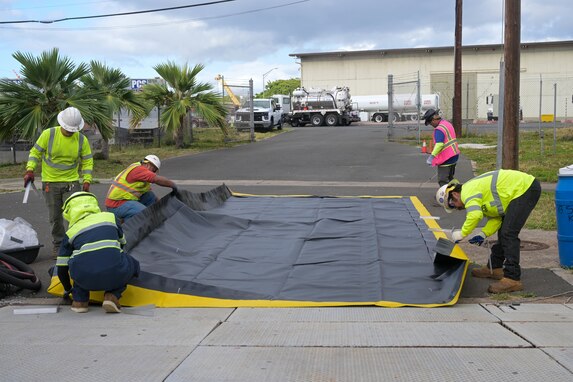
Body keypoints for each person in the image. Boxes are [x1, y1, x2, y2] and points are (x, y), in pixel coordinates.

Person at [435, 169, 541, 293]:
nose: (457, 208)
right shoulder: (474, 193)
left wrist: (462, 233)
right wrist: (483, 234)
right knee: (504, 231)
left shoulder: (468, 192)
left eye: (453, 205)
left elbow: (475, 215)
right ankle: (494, 268)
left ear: (454, 194)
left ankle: (513, 279)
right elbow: (496, 218)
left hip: (525, 188)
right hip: (519, 190)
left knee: (508, 233)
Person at [24, 107, 93, 258]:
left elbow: (87, 161)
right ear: (61, 123)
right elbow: (35, 153)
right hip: (51, 182)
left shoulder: (81, 139)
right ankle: (58, 246)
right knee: (55, 217)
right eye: (68, 129)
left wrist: (87, 180)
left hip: (72, 182)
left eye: (73, 130)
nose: (70, 132)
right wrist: (30, 169)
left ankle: (75, 244)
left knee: (76, 215)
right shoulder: (48, 134)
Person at [57, 192, 140, 313]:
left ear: (68, 212)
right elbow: (123, 243)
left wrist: (68, 290)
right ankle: (112, 295)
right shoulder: (110, 217)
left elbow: (61, 269)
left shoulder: (70, 232)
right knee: (133, 264)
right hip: (114, 272)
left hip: (84, 278)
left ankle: (79, 301)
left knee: (78, 264)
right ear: (94, 204)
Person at [105, 154, 177, 222]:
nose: (153, 172)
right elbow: (157, 179)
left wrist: (163, 206)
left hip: (125, 200)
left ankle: (154, 221)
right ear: (147, 164)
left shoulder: (143, 173)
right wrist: (173, 185)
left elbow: (152, 196)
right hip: (116, 204)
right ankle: (126, 228)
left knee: (150, 197)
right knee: (142, 213)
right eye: (154, 170)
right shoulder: (139, 170)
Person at [423, 109, 460, 186]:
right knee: (450, 178)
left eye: (430, 123)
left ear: (433, 120)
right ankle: (456, 192)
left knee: (443, 180)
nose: (431, 125)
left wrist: (432, 157)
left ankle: (445, 196)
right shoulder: (447, 124)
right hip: (454, 155)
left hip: (446, 158)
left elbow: (439, 145)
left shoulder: (439, 129)